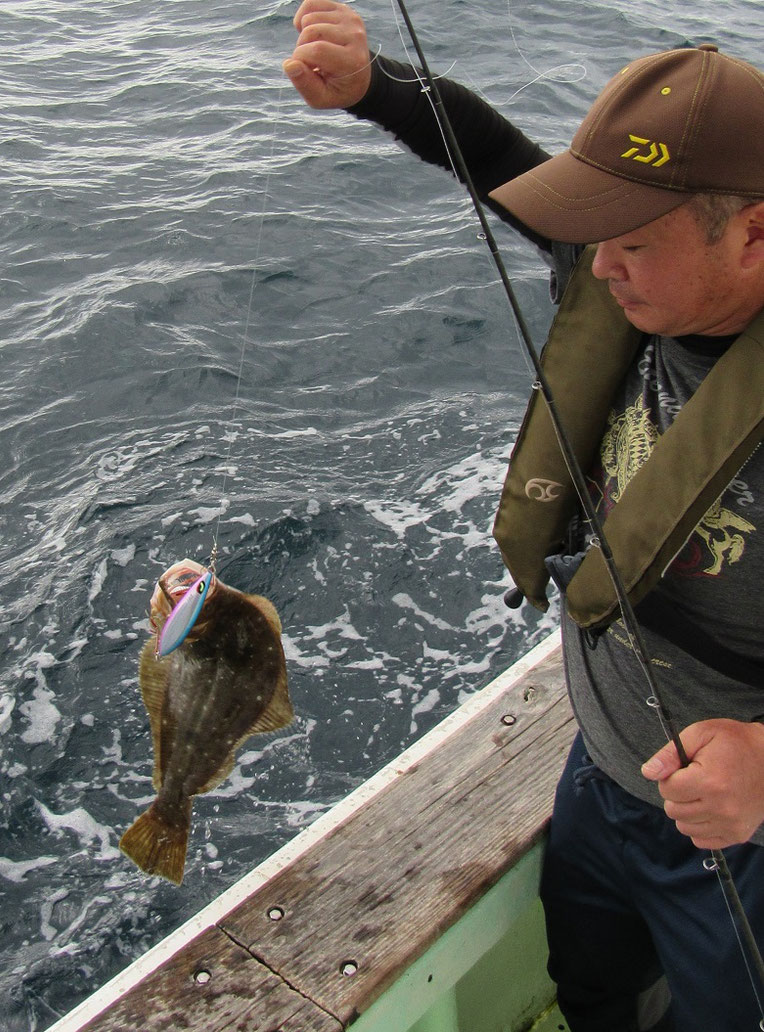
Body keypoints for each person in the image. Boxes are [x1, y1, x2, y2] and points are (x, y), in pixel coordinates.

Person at [284, 3, 764, 1030]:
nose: (594, 267)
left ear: (754, 233)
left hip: (738, 841)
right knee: (590, 983)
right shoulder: (627, 273)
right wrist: (371, 86)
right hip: (598, 776)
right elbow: (485, 149)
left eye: (630, 242)